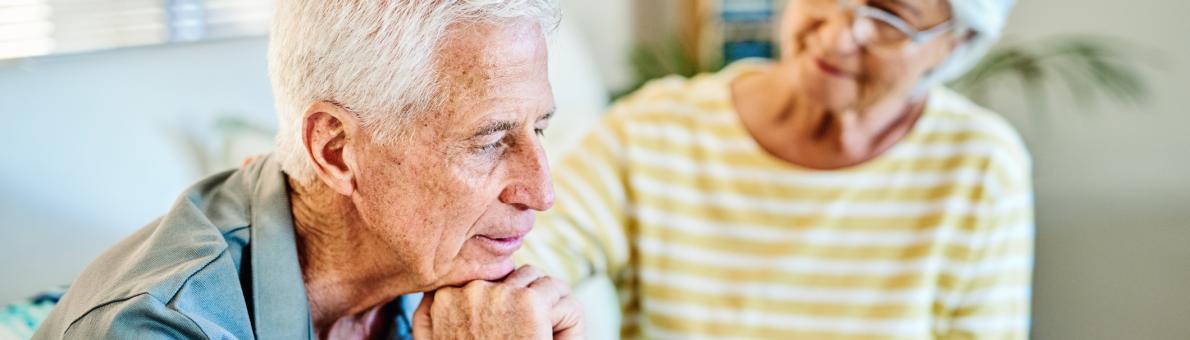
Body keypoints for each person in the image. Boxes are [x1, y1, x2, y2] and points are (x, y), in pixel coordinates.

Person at [34, 1, 583, 339]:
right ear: (337, 152)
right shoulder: (155, 328)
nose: (541, 191)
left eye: (538, 129)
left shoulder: (455, 283)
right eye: (489, 141)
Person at [518, 0, 1030, 338]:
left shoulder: (979, 167)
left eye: (889, 17)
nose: (837, 35)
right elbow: (523, 250)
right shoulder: (656, 130)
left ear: (956, 43)